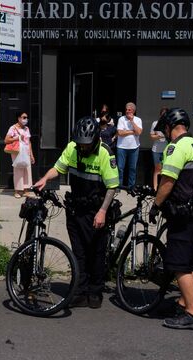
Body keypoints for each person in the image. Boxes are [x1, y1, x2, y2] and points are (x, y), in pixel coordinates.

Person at [34, 117, 119, 308]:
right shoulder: (72, 147)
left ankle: (95, 291)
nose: (83, 147)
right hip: (75, 210)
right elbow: (59, 168)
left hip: (95, 210)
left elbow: (112, 186)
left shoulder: (105, 153)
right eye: (80, 143)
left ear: (96, 140)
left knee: (96, 253)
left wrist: (102, 211)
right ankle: (80, 291)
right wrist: (45, 179)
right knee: (79, 252)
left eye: (86, 144)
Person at [149, 108, 193, 330]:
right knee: (188, 261)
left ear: (169, 126)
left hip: (185, 214)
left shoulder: (176, 147)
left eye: (164, 128)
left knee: (178, 264)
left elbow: (167, 182)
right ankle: (185, 302)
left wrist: (156, 206)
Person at [4, 112, 35, 198]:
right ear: (19, 118)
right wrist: (16, 138)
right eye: (24, 117)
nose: (26, 119)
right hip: (17, 152)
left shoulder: (26, 129)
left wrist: (31, 155)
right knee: (18, 170)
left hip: (26, 152)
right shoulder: (13, 128)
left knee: (27, 170)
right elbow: (6, 140)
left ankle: (25, 190)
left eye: (26, 117)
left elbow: (29, 142)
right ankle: (17, 191)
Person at [116, 102, 142, 188]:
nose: (127, 111)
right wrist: (132, 132)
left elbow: (138, 132)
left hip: (134, 148)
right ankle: (119, 186)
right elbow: (120, 132)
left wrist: (132, 122)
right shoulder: (121, 119)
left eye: (129, 110)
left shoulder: (138, 120)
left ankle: (131, 187)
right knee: (120, 168)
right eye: (126, 109)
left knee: (132, 168)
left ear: (133, 111)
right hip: (121, 147)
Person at [150, 107, 169, 191]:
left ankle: (163, 188)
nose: (163, 116)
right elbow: (151, 136)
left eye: (165, 115)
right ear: (160, 115)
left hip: (167, 150)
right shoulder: (155, 123)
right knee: (157, 169)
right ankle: (155, 188)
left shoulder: (170, 124)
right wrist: (158, 136)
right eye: (162, 114)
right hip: (156, 150)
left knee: (166, 170)